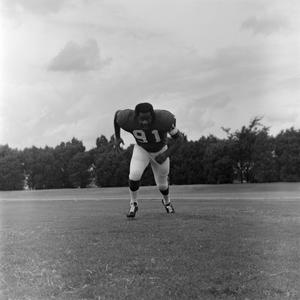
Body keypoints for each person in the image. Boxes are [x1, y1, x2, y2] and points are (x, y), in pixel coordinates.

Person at [114, 102, 183, 218]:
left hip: (160, 150)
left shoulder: (164, 119)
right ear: (136, 116)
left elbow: (179, 139)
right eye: (142, 119)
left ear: (153, 116)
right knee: (134, 174)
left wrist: (166, 154)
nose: (145, 122)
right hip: (142, 149)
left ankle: (167, 202)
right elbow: (116, 116)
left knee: (162, 185)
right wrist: (117, 137)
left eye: (148, 119)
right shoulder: (126, 118)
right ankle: (133, 204)